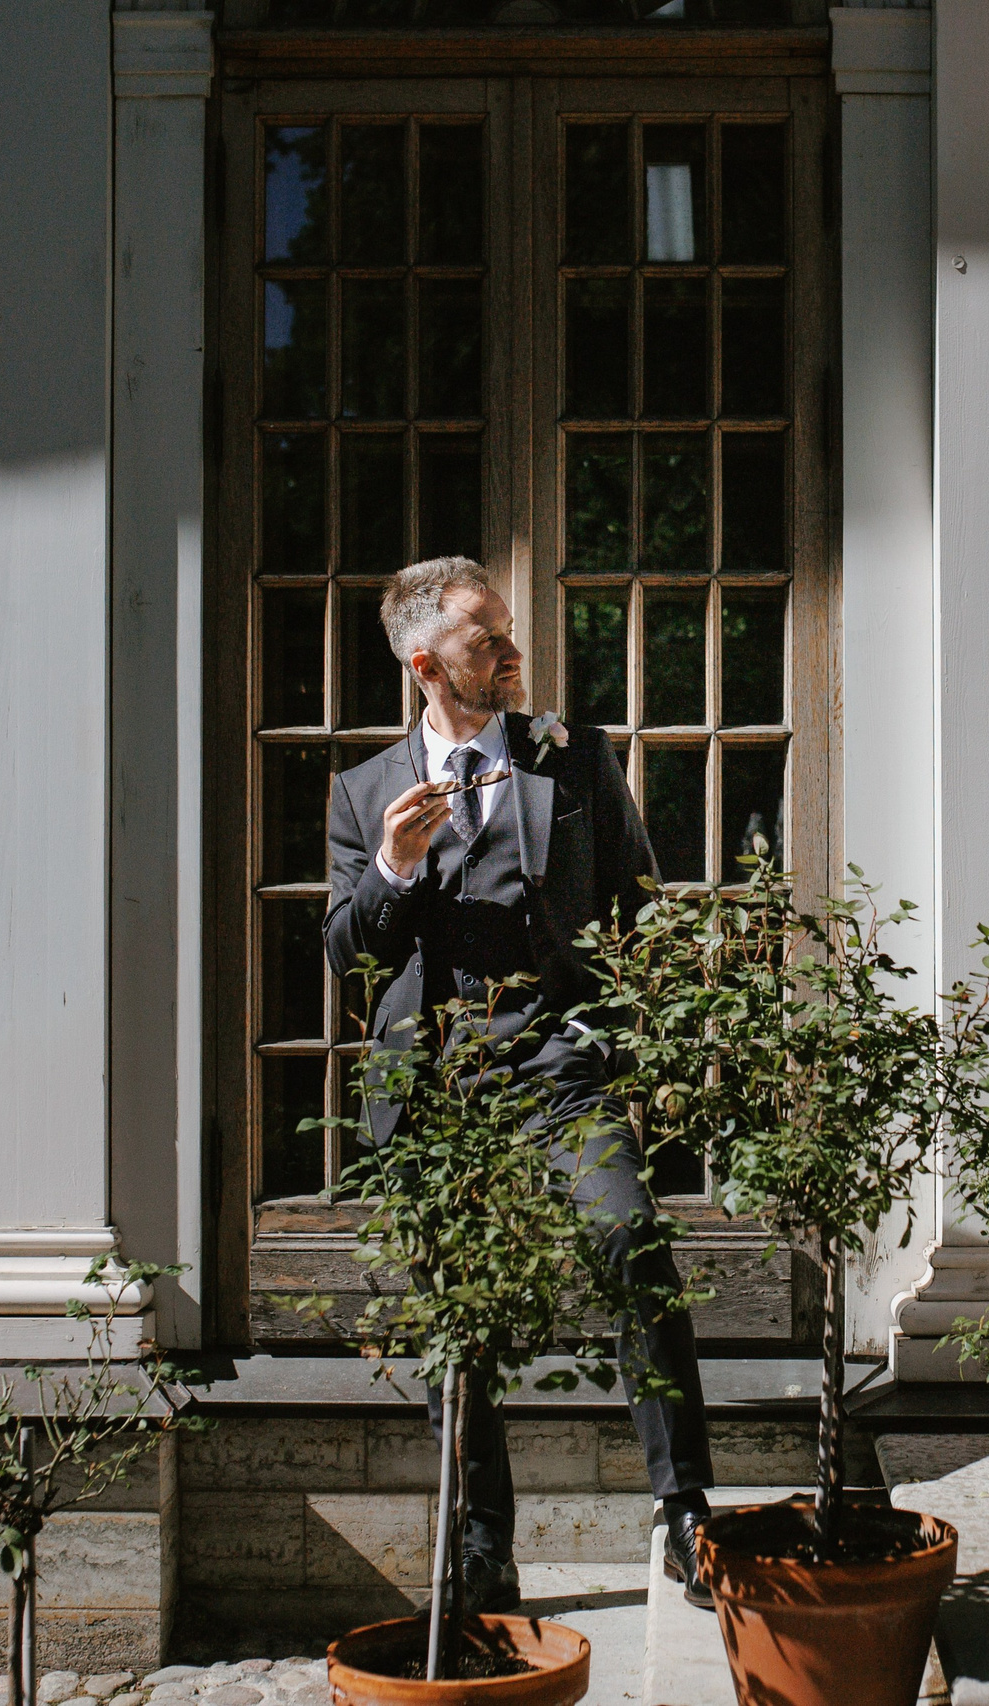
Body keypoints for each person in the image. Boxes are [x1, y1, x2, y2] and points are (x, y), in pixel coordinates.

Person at [323, 555, 718, 1608]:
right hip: (431, 1089)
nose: (510, 652)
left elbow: (639, 904)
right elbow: (347, 956)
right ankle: (482, 1536)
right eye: (485, 638)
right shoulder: (363, 792)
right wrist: (392, 870)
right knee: (460, 1312)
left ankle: (686, 1511)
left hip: (557, 1063)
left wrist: (641, 1056)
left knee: (632, 1241)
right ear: (425, 661)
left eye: (505, 632)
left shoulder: (572, 760)